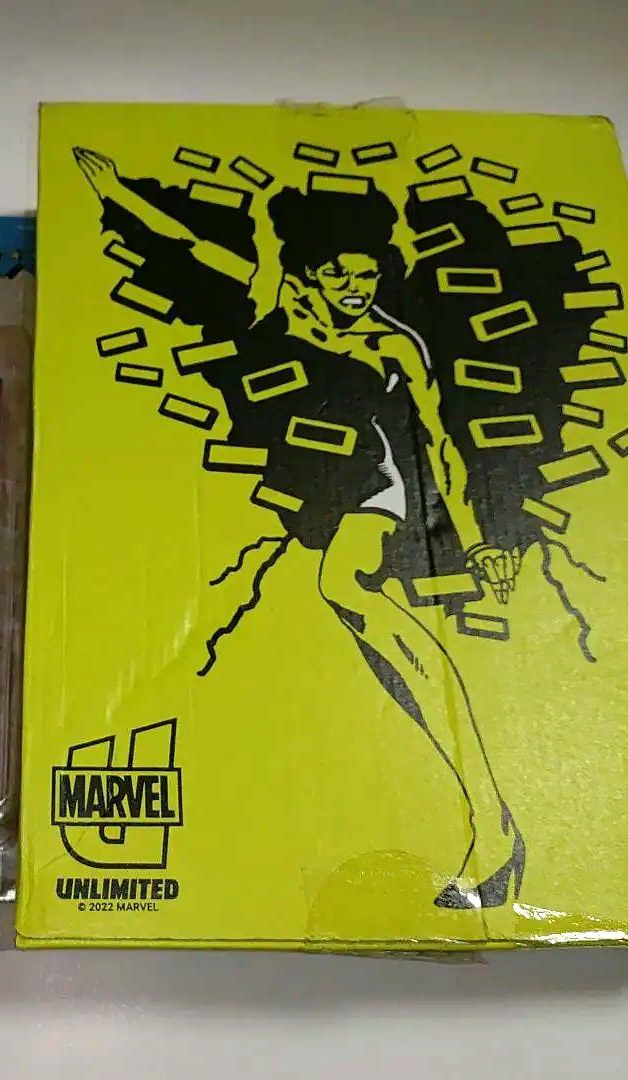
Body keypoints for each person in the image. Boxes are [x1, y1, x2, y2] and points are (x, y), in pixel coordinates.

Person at [75, 147, 525, 908]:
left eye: (369, 276)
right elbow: (188, 245)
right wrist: (118, 192)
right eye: (341, 276)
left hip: (372, 484)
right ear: (309, 274)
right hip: (292, 483)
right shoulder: (270, 299)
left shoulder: (393, 344)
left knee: (345, 585)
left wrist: (478, 540)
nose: (357, 290)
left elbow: (440, 442)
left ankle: (493, 820)